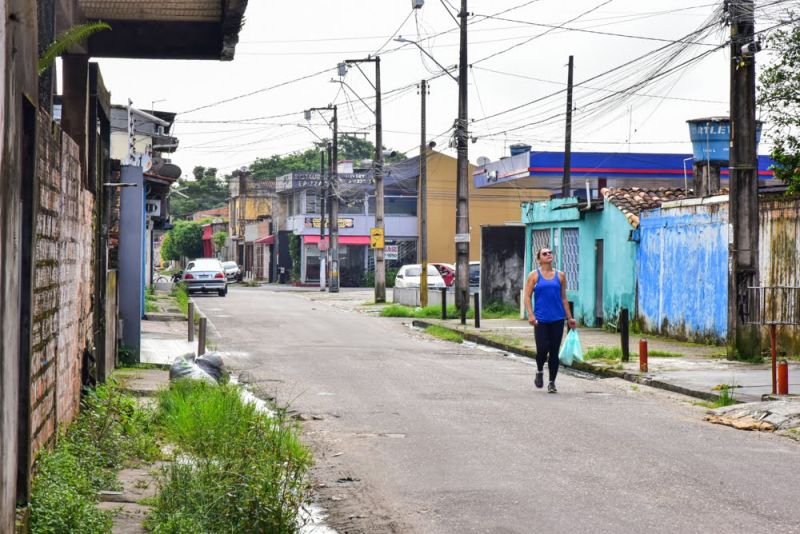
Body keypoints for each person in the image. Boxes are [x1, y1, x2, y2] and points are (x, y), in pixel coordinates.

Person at [523, 247, 576, 393]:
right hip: (540, 319)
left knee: (554, 350)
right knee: (542, 349)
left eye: (550, 253)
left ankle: (552, 382)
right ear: (539, 259)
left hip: (557, 318)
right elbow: (527, 297)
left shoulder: (560, 276)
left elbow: (564, 298)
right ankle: (539, 370)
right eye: (544, 254)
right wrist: (531, 314)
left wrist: (570, 318)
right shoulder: (534, 276)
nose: (548, 255)